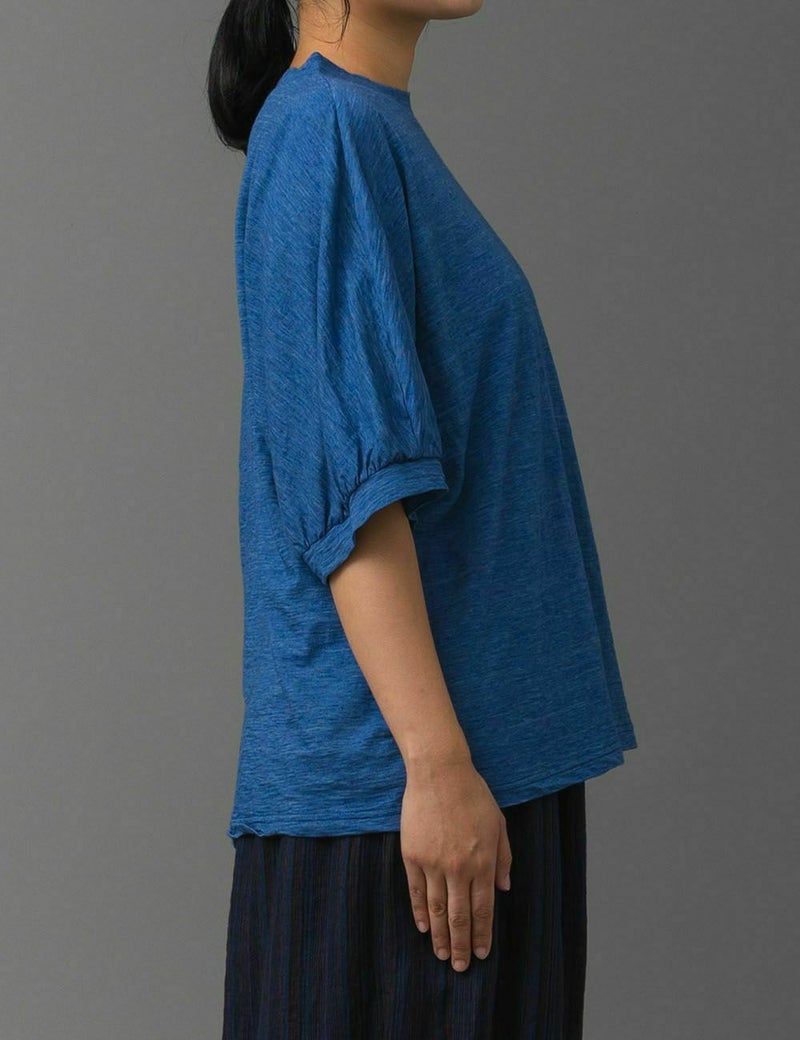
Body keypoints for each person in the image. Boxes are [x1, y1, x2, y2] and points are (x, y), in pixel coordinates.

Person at [207, 1, 638, 1037]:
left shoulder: (368, 125)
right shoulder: (324, 132)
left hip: (468, 786)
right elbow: (348, 493)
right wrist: (435, 762)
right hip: (401, 803)